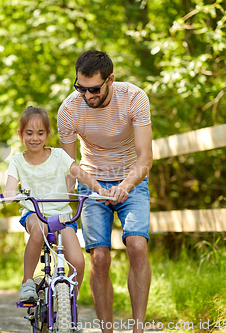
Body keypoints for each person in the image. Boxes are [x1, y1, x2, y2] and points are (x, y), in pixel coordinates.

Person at [57, 50, 153, 333]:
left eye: (94, 89)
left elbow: (145, 157)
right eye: (80, 88)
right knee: (99, 257)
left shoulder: (135, 98)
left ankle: (138, 329)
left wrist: (124, 186)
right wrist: (70, 204)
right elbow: (69, 165)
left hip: (130, 180)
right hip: (92, 183)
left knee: (136, 245)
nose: (87, 96)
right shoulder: (69, 109)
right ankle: (106, 331)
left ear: (110, 79)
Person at [3, 106, 110, 303]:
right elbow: (10, 186)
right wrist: (10, 195)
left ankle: (69, 304)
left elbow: (80, 173)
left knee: (78, 262)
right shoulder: (18, 161)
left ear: (47, 134)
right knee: (40, 227)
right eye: (29, 133)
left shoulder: (59, 156)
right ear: (20, 134)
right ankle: (27, 281)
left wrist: (100, 190)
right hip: (35, 214)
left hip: (62, 217)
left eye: (40, 133)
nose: (35, 138)